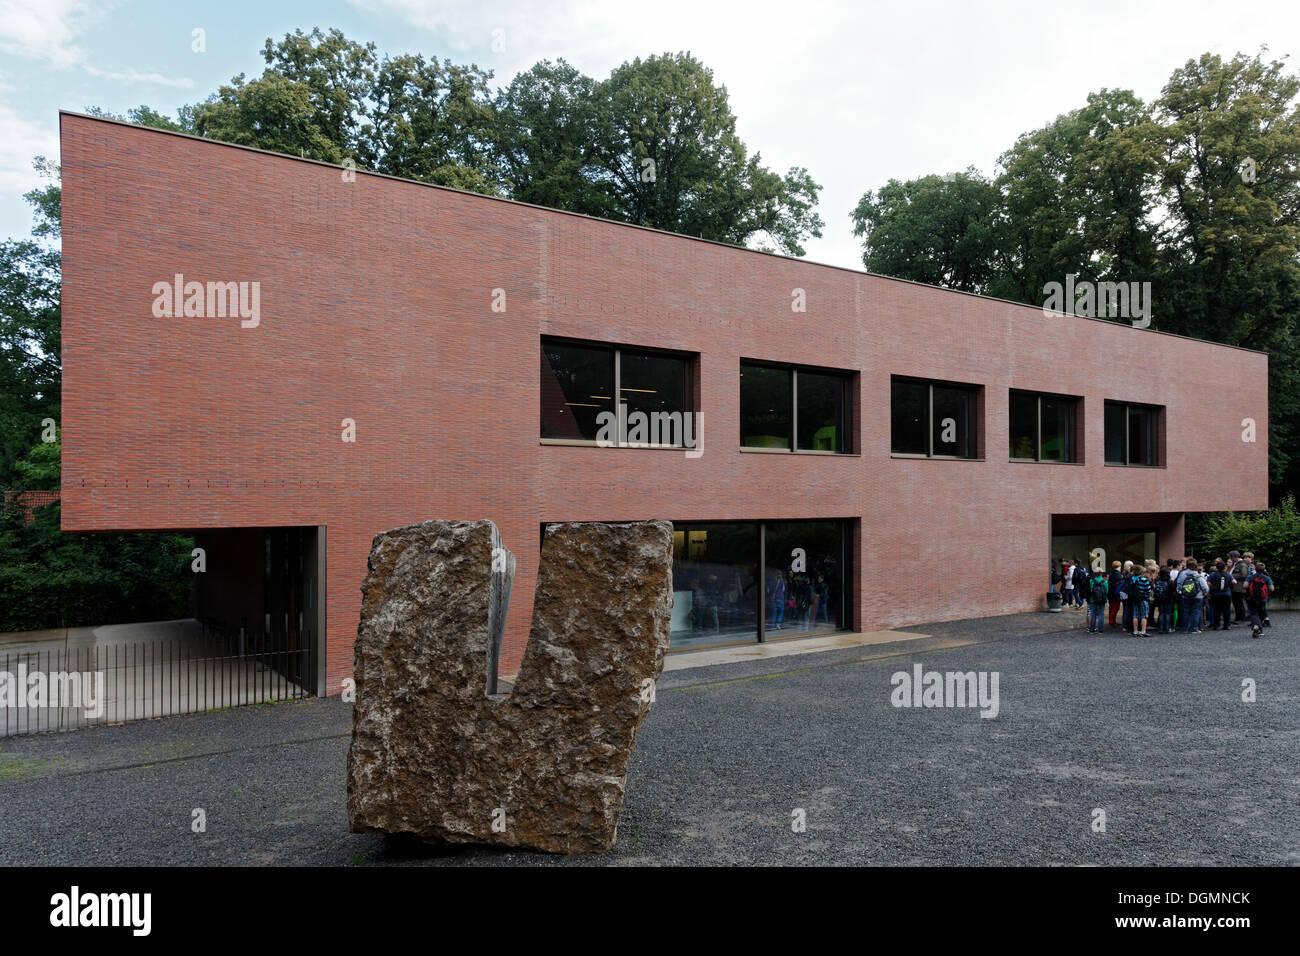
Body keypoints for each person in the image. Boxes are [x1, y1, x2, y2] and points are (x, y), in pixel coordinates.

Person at [1245, 562, 1271, 639]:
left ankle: (1256, 626)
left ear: (1255, 569)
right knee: (1261, 613)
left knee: (1254, 613)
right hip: (1262, 599)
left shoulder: (1250, 577)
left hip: (1252, 598)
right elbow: (1272, 588)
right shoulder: (1266, 578)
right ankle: (1259, 629)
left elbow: (1245, 585)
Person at [1207, 559, 1233, 631]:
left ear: (1216, 567)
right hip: (1226, 594)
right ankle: (1226, 625)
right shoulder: (1228, 574)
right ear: (1224, 567)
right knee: (1226, 610)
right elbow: (1234, 581)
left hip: (1216, 594)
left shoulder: (1213, 574)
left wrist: (1209, 593)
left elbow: (1208, 584)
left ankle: (1216, 625)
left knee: (1216, 610)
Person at [1129, 563, 1153, 636]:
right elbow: (1148, 590)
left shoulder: (1132, 579)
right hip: (1143, 599)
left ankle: (1135, 631)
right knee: (1144, 615)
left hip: (1134, 599)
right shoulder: (1143, 579)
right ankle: (1143, 631)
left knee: (1135, 615)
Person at [1086, 565, 1109, 633]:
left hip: (1093, 599)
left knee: (1093, 614)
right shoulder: (1104, 582)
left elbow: (1090, 590)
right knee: (1101, 614)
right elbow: (1107, 591)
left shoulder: (1091, 581)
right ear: (1101, 573)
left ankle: (1092, 629)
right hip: (1102, 600)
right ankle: (1100, 630)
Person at [1229, 550, 1249, 623]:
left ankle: (1241, 618)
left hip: (1239, 587)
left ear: (1235, 557)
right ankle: (1238, 617)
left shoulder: (1242, 564)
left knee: (1239, 603)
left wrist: (1231, 576)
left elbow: (1244, 575)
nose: (1230, 559)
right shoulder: (1236, 564)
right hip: (1235, 587)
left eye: (1231, 557)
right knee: (1236, 603)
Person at [1152, 566, 1174, 633]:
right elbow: (1173, 589)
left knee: (1161, 613)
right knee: (1167, 613)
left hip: (1159, 598)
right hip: (1168, 598)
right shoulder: (1169, 580)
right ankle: (1167, 628)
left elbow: (1154, 588)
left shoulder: (1157, 579)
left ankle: (1160, 628)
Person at [1107, 561, 1124, 630]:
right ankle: (1112, 622)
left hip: (1111, 593)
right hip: (1115, 594)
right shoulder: (1118, 574)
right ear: (1119, 566)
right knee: (1115, 608)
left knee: (1112, 608)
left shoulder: (1111, 573)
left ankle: (1112, 621)